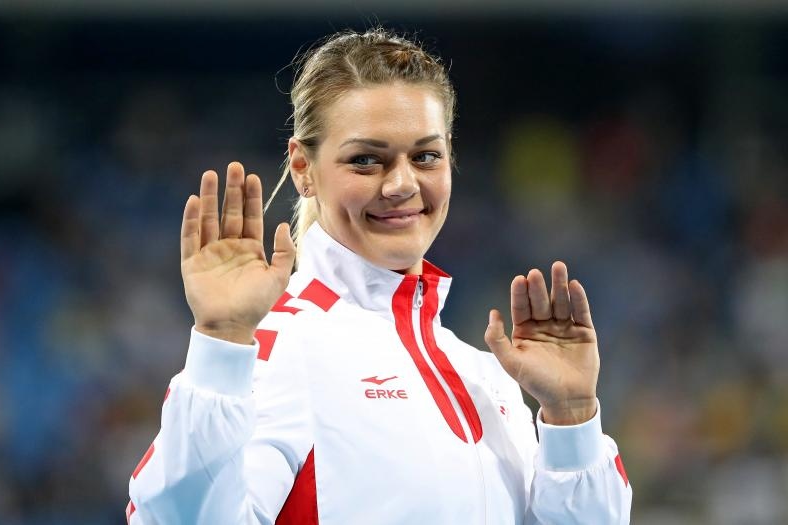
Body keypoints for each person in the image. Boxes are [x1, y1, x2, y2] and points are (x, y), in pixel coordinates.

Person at [126, 28, 632, 524]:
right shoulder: (274, 348)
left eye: (425, 156)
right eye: (366, 160)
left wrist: (571, 416)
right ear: (303, 167)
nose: (402, 184)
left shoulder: (486, 377)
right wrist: (220, 341)